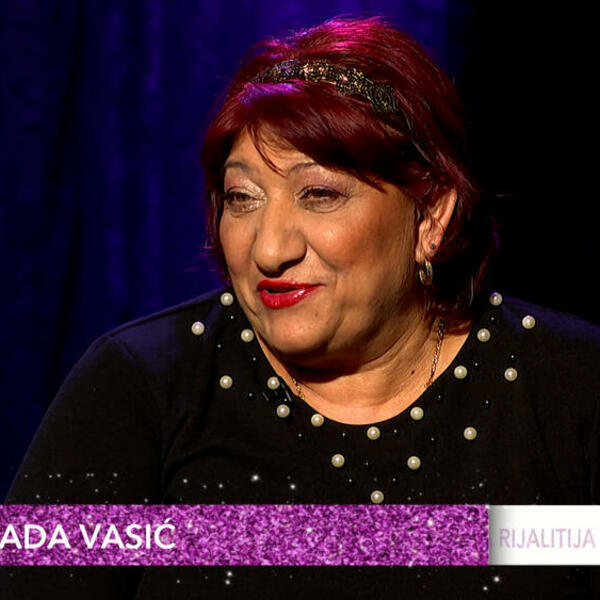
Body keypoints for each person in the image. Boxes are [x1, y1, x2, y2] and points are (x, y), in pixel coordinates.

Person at [2, 16, 599, 599]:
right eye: (242, 198)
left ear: (432, 217)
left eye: (319, 194)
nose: (269, 249)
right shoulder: (140, 383)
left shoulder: (571, 383)